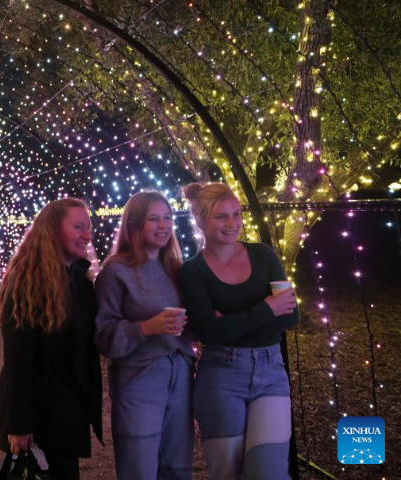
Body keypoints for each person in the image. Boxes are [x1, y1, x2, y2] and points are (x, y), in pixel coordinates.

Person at [177, 182, 299, 479]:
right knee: (227, 473)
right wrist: (268, 308)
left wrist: (230, 321)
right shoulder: (192, 271)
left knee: (268, 472)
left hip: (271, 372)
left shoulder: (264, 256)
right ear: (201, 221)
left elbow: (291, 316)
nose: (233, 224)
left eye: (236, 214)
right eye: (221, 217)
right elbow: (209, 332)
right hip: (220, 376)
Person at [0, 198, 102, 480]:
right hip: (41, 410)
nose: (87, 235)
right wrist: (18, 425)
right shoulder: (27, 282)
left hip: (68, 405)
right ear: (52, 230)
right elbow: (17, 362)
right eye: (78, 227)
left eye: (88, 228)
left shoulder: (78, 278)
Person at [94, 191, 195, 480]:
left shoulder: (176, 267)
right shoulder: (116, 270)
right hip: (139, 375)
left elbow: (191, 324)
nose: (163, 225)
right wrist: (145, 328)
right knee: (140, 466)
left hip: (180, 372)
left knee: (178, 466)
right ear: (135, 224)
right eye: (153, 219)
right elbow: (103, 335)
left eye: (168, 218)